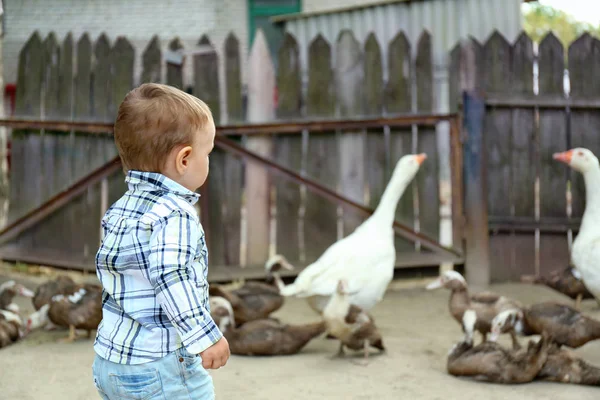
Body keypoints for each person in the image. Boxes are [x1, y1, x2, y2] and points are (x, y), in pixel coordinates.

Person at [91, 83, 230, 399]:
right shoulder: (175, 215)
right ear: (184, 159)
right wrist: (204, 336)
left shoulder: (120, 210)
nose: (208, 160)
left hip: (110, 362)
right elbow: (171, 276)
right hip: (159, 364)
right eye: (207, 153)